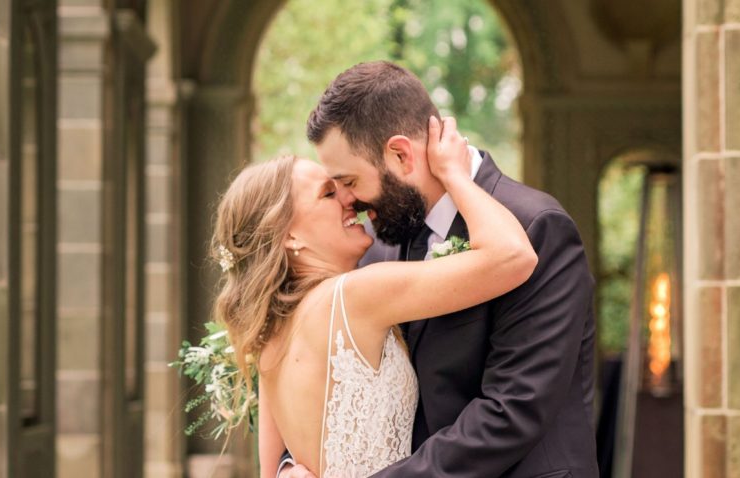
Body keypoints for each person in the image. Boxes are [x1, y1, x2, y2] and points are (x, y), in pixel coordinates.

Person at [279, 61, 598, 477]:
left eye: (351, 182)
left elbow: (512, 410)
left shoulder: (536, 226)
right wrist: (293, 464)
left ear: (400, 154)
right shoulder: (386, 241)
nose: (349, 203)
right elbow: (333, 379)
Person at [210, 115, 537, 477]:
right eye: (328, 193)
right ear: (289, 237)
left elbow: (271, 471)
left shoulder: (269, 334)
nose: (350, 200)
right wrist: (455, 175)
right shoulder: (353, 297)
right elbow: (513, 256)